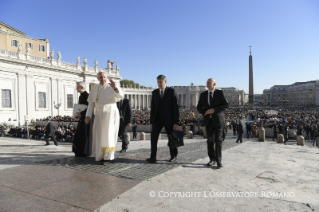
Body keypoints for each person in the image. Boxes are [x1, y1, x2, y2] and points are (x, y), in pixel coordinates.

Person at [85, 71, 124, 163]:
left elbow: (121, 95)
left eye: (104, 77)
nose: (102, 79)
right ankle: (99, 155)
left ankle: (108, 156)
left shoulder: (112, 87)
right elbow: (91, 104)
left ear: (107, 78)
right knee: (99, 135)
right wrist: (88, 115)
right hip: (98, 114)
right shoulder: (94, 88)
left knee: (108, 135)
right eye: (100, 77)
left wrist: (115, 87)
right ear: (98, 78)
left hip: (110, 114)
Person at [146, 75, 179, 163]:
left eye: (161, 82)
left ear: (165, 82)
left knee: (171, 138)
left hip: (170, 120)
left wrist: (176, 122)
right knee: (153, 137)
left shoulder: (172, 91)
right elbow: (153, 108)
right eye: (158, 82)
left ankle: (173, 156)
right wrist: (151, 121)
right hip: (157, 119)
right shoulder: (155, 92)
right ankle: (153, 157)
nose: (159, 84)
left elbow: (176, 108)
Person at [197, 78, 229, 169]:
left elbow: (226, 105)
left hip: (218, 120)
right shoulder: (203, 95)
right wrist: (205, 112)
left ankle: (218, 160)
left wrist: (214, 110)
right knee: (210, 141)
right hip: (208, 121)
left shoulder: (220, 93)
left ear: (214, 84)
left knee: (218, 140)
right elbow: (199, 107)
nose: (207, 83)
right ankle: (212, 159)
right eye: (207, 82)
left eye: (209, 82)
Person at [72, 81, 90, 157]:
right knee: (79, 136)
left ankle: (84, 152)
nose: (76, 89)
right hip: (81, 119)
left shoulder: (88, 96)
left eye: (77, 87)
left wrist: (81, 114)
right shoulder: (80, 96)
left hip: (86, 119)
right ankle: (79, 151)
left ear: (82, 87)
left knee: (84, 136)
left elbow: (89, 108)